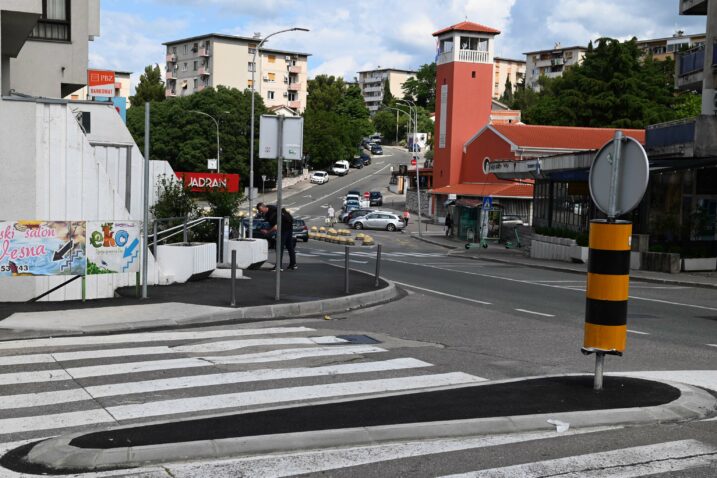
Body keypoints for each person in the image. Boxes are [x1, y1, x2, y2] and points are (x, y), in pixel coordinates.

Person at [257, 202, 297, 271]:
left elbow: (276, 227)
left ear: (263, 207)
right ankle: (293, 264)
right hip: (289, 226)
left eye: (261, 210)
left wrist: (267, 232)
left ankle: (279, 266)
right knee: (289, 246)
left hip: (284, 229)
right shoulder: (270, 207)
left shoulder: (272, 214)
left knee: (279, 247)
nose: (261, 212)